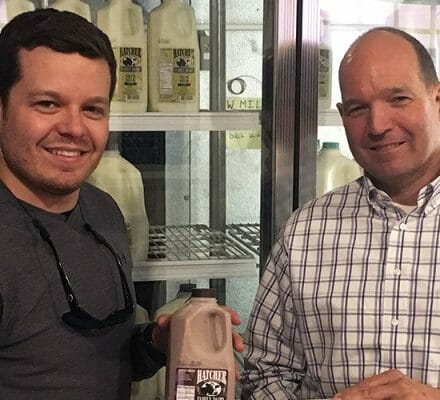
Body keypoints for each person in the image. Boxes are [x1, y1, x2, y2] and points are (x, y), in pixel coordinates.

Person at [0, 8, 243, 400]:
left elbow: (97, 357)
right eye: (48, 104)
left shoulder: (102, 211)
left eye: (92, 109)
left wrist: (157, 343)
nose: (74, 128)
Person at [241, 26, 440, 400]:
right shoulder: (305, 232)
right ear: (341, 115)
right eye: (358, 108)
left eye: (398, 99)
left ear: (437, 98)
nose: (378, 125)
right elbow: (265, 374)